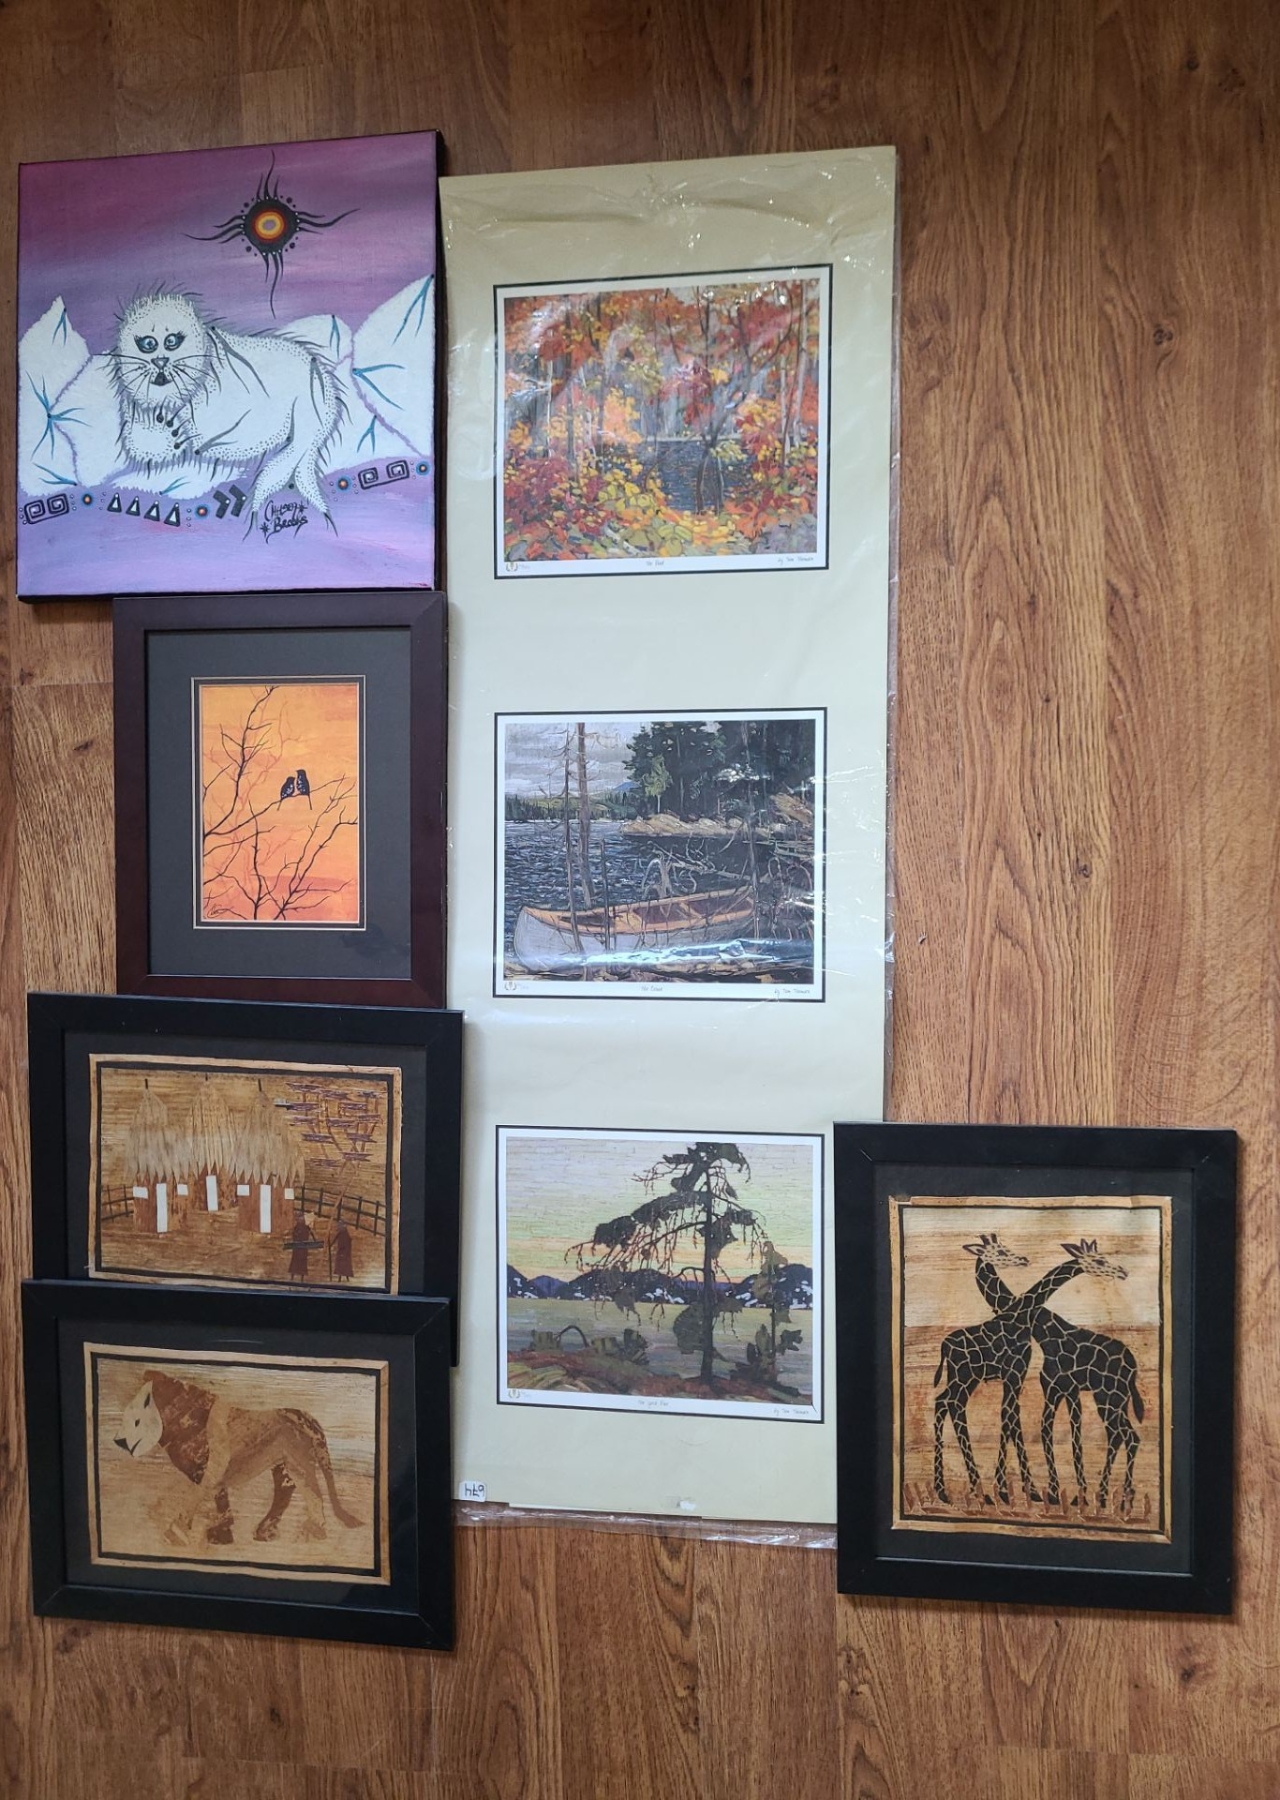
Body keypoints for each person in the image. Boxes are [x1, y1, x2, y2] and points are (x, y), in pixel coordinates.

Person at [330, 1218, 354, 1282]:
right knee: (340, 1265)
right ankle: (340, 1279)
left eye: (340, 1224)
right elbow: (335, 1238)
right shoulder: (340, 1232)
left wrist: (346, 1250)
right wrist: (330, 1245)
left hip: (345, 1251)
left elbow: (348, 1241)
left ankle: (346, 1278)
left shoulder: (345, 1233)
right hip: (340, 1250)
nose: (339, 1226)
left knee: (345, 1265)